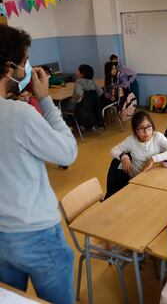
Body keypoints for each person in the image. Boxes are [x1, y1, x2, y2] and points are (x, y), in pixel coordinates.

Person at [0, 25, 77, 304]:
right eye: (24, 61)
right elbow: (67, 152)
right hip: (35, 232)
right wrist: (44, 99)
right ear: (10, 67)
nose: (26, 68)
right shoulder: (18, 114)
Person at [105, 111, 167, 198]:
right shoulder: (131, 141)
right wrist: (124, 156)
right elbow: (113, 150)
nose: (146, 132)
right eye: (141, 128)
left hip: (157, 179)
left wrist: (153, 159)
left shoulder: (158, 137)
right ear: (135, 130)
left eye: (149, 126)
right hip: (137, 182)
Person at [62, 64, 104, 132]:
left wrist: (73, 100)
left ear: (82, 74)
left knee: (62, 106)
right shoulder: (92, 81)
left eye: (77, 70)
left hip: (81, 108)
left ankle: (69, 126)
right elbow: (100, 92)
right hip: (92, 107)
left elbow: (77, 94)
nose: (76, 72)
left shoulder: (79, 81)